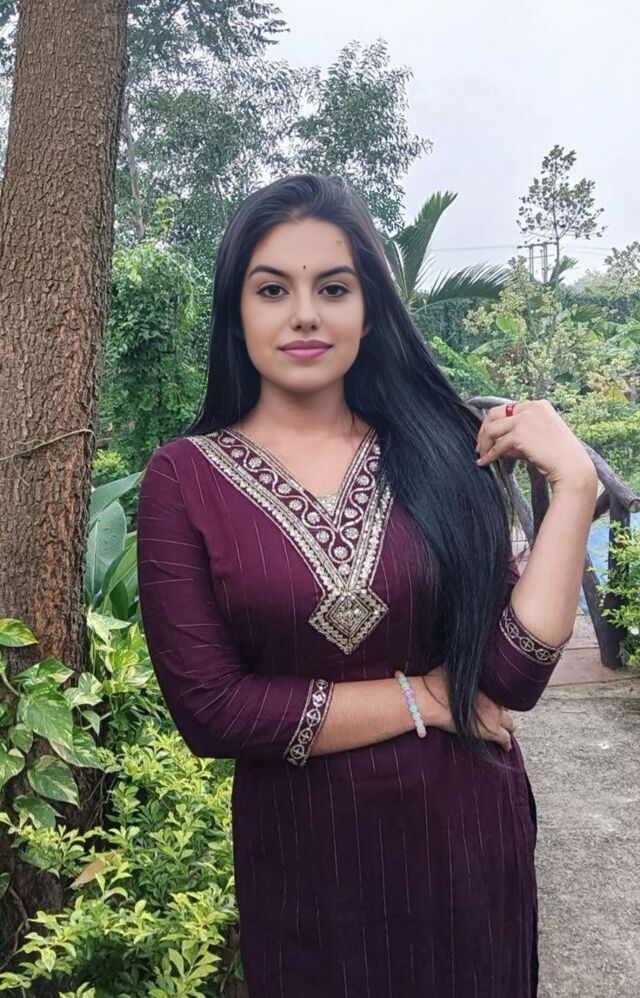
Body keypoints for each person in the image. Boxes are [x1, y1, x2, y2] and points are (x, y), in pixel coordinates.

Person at [136, 173, 598, 997]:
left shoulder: (441, 449)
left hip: (467, 852)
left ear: (369, 310)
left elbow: (510, 678)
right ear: (236, 312)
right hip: (307, 869)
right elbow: (211, 710)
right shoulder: (185, 479)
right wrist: (425, 695)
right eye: (272, 289)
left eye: (333, 288)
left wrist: (575, 489)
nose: (304, 314)